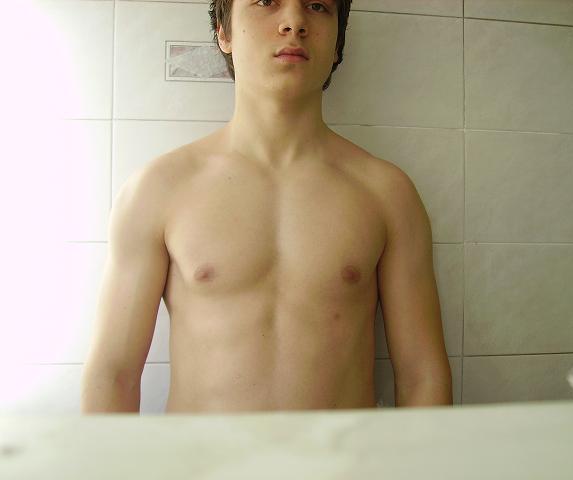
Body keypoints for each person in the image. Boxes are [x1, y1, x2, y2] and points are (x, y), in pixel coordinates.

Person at [80, 0, 451, 413]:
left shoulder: (387, 194)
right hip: (201, 454)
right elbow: (114, 374)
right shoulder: (157, 190)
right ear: (224, 33)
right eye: (265, 2)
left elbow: (421, 375)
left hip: (341, 453)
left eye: (317, 6)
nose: (294, 22)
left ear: (337, 42)